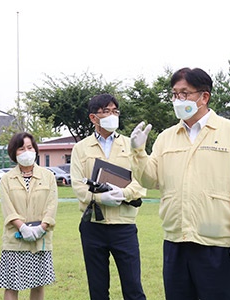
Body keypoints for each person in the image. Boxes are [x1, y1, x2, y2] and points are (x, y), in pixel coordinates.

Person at [130, 67, 230, 299]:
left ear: (204, 97)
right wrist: (138, 152)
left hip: (217, 244)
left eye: (185, 93)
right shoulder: (166, 137)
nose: (178, 99)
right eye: (175, 94)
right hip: (176, 242)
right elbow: (150, 179)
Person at [70, 94, 147, 300]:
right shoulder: (80, 148)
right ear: (94, 118)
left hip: (124, 225)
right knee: (98, 288)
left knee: (133, 288)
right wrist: (99, 199)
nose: (112, 115)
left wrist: (124, 193)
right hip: (93, 225)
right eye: (106, 111)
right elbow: (77, 185)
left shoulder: (130, 144)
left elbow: (141, 179)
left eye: (115, 111)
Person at [0, 132, 58, 300]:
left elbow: (52, 205)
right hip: (14, 239)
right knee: (11, 284)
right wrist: (21, 227)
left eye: (30, 147)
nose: (26, 151)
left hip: (41, 237)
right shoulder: (7, 179)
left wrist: (42, 227)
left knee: (38, 283)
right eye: (21, 148)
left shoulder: (48, 176)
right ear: (13, 153)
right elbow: (7, 207)